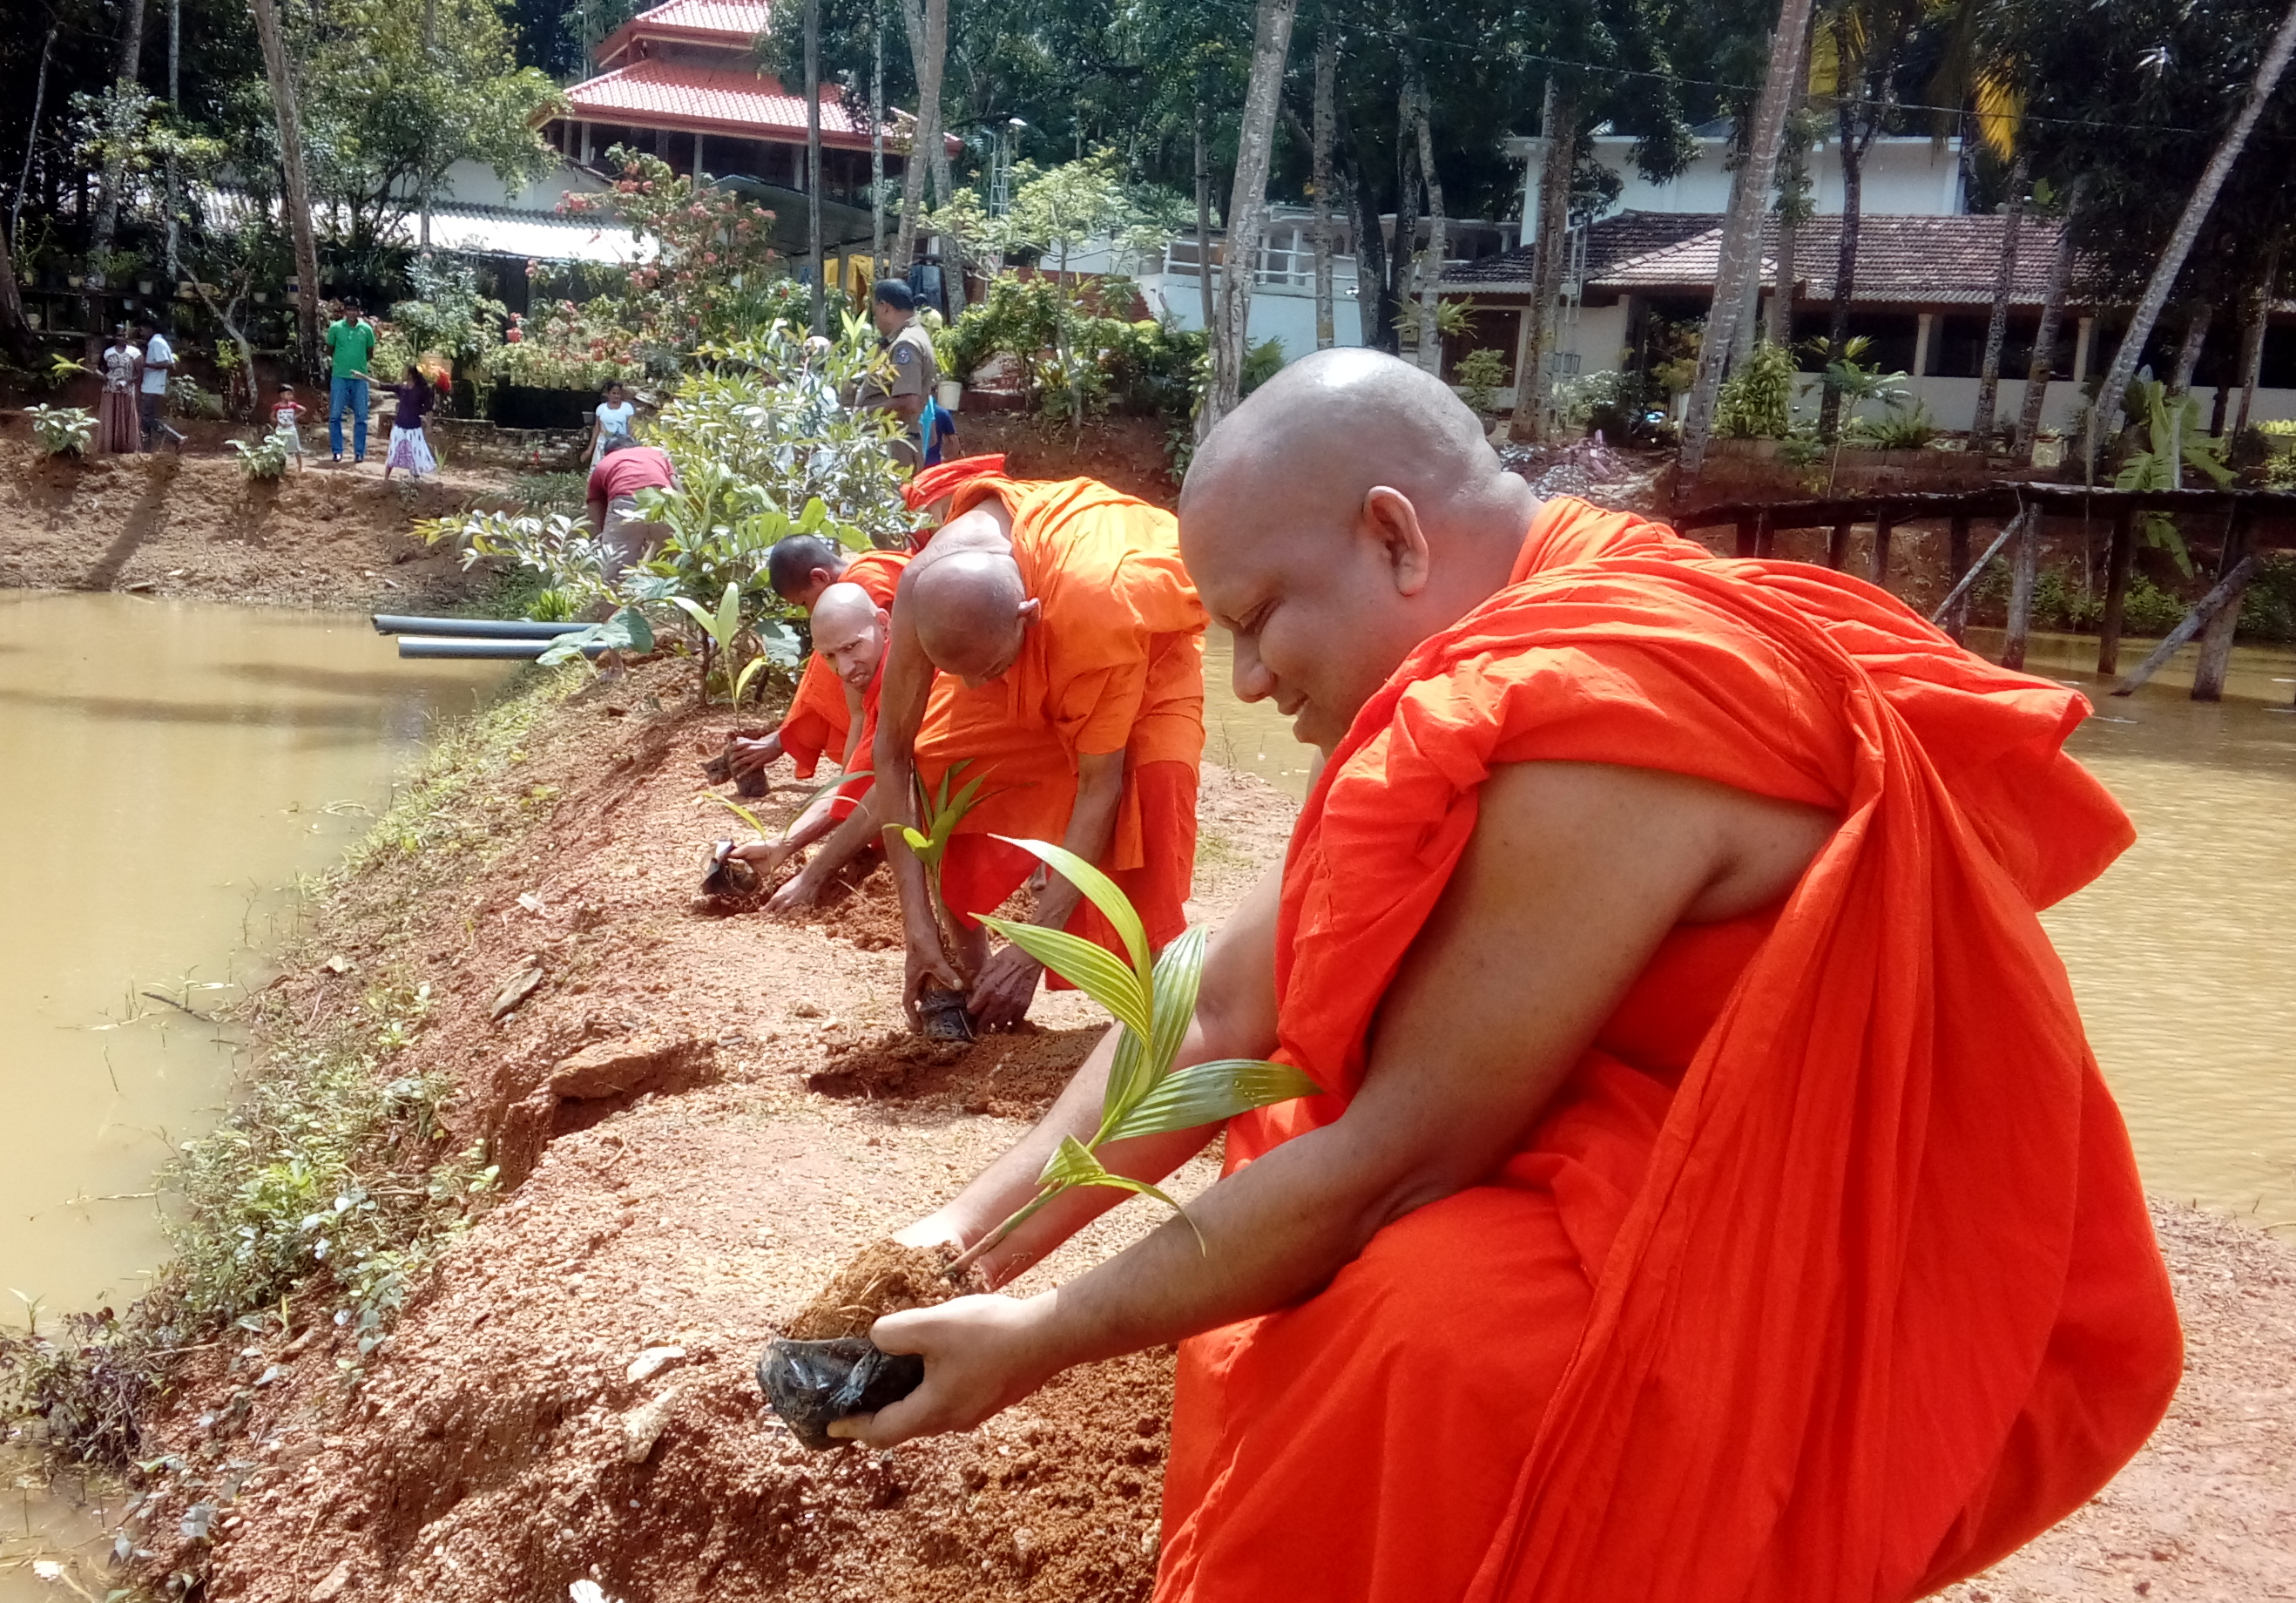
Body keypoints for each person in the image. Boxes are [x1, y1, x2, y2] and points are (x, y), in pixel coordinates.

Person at [829, 350, 2183, 1603]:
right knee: (1306, 1223)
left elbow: (1396, 1161)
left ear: (1394, 536)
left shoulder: (1601, 703)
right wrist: (961, 1242)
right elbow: (1224, 999)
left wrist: (1048, 1333)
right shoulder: (1506, 631)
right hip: (1656, 1142)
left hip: (1877, 1254)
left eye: (1258, 621)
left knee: (1424, 1329)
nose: (1243, 683)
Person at [854, 464, 1207, 1029]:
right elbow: (893, 750)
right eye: (957, 673)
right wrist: (916, 927)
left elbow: (1100, 784)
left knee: (1153, 788)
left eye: (987, 670)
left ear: (1027, 617)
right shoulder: (926, 588)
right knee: (943, 762)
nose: (971, 689)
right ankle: (966, 977)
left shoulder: (1099, 605)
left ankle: (1158, 1013)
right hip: (1023, 631)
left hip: (1134, 646)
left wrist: (1036, 949)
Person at [731, 581, 891, 888]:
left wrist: (812, 877)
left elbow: (888, 790)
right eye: (829, 657)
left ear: (884, 624)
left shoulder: (910, 677)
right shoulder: (861, 672)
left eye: (850, 647)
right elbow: (855, 777)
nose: (843, 668)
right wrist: (783, 843)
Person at [854, 279, 936, 469]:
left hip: (893, 450)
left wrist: (861, 414)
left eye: (875, 313)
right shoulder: (910, 337)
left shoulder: (905, 345)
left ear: (885, 308)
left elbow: (909, 402)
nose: (876, 321)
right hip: (894, 445)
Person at [583, 440, 677, 584]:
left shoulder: (605, 463)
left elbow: (594, 510)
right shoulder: (656, 454)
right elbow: (677, 488)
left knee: (614, 576)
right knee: (679, 564)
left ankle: (613, 602)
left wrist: (598, 541)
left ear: (608, 453)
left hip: (625, 503)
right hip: (663, 500)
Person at [326, 301, 378, 464]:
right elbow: (329, 350)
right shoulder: (335, 328)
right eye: (348, 310)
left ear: (359, 312)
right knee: (335, 416)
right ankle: (337, 452)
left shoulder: (367, 330)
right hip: (340, 377)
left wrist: (358, 366)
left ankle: (359, 453)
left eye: (355, 310)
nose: (351, 313)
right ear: (344, 311)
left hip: (360, 379)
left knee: (361, 417)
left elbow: (370, 353)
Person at [383, 365, 440, 480]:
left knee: (415, 452)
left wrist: (429, 425)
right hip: (399, 426)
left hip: (414, 427)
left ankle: (415, 477)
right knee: (394, 451)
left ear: (410, 375)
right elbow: (382, 386)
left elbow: (429, 409)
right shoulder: (401, 388)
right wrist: (364, 378)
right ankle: (386, 478)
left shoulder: (421, 391)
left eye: (404, 371)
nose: (402, 373)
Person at [137, 320, 181, 451]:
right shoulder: (158, 343)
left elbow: (167, 364)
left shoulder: (157, 343)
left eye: (143, 329)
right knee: (146, 419)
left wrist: (145, 364)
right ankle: (146, 449)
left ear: (150, 329)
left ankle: (176, 438)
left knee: (148, 418)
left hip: (152, 385)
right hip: (153, 385)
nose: (141, 332)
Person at [97, 333, 142, 456]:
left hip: (126, 390)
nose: (123, 338)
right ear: (115, 337)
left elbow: (139, 372)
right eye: (120, 335)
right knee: (111, 415)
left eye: (126, 335)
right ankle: (108, 447)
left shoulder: (135, 353)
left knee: (126, 416)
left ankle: (127, 447)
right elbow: (98, 369)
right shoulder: (108, 352)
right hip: (110, 389)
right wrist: (104, 377)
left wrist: (128, 381)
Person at [591, 380, 636, 463]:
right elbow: (596, 429)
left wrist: (631, 445)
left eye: (618, 393)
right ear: (608, 394)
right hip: (602, 444)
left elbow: (631, 427)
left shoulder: (627, 407)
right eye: (613, 393)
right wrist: (590, 449)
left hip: (621, 445)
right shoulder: (601, 408)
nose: (616, 396)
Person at [270, 384, 308, 470]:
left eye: (291, 394)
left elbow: (304, 409)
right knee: (280, 449)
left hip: (291, 429)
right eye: (289, 394)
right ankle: (281, 468)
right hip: (280, 429)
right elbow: (272, 417)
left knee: (297, 448)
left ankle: (300, 467)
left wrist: (295, 417)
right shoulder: (277, 406)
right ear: (282, 395)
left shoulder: (293, 405)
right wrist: (279, 422)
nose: (291, 396)